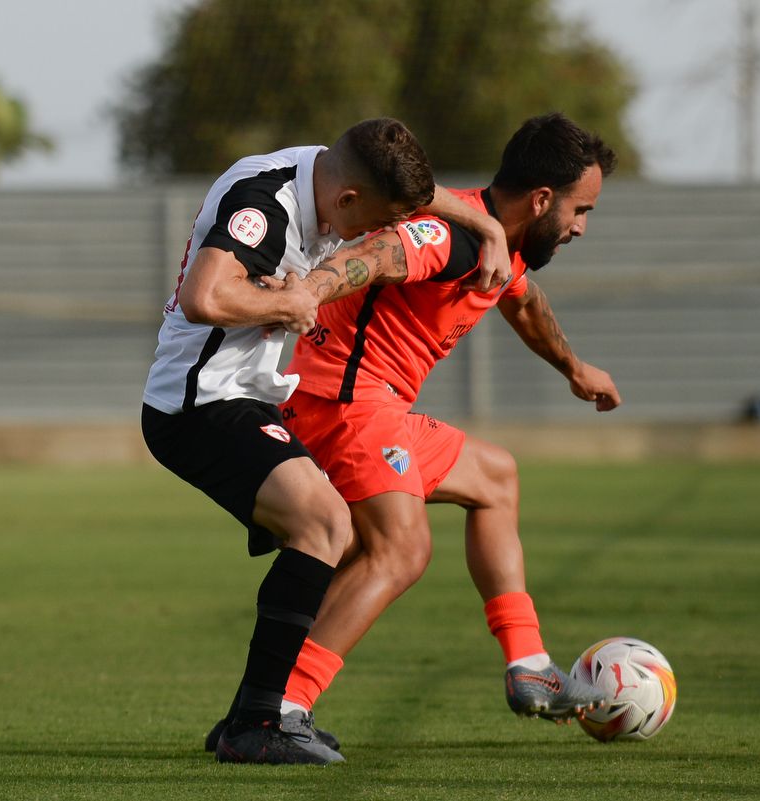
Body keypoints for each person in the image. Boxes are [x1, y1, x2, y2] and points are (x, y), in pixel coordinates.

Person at [201, 112, 622, 756]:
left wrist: (575, 368)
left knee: (495, 476)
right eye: (580, 210)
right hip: (343, 404)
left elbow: (526, 302)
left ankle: (528, 663)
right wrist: (307, 291)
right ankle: (279, 710)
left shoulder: (495, 249)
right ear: (542, 200)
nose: (581, 228)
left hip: (380, 409)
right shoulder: (448, 236)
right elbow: (377, 253)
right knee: (400, 551)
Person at [141, 117, 513, 765]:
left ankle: (253, 712)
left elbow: (417, 197)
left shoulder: (339, 173)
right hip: (196, 403)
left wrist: (488, 226)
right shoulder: (266, 204)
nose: (375, 235)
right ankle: (257, 723)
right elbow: (205, 296)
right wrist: (285, 306)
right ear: (347, 201)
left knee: (336, 534)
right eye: (374, 221)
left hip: (248, 396)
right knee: (324, 522)